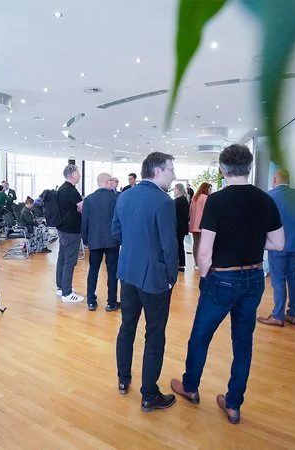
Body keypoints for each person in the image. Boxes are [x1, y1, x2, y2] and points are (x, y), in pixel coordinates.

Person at [170, 144, 284, 425]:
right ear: (249, 167)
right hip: (254, 278)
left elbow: (205, 251)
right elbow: (278, 243)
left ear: (222, 169)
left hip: (222, 278)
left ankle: (190, 386)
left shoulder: (217, 201)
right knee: (243, 343)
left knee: (201, 336)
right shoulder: (265, 200)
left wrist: (205, 275)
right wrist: (251, 243)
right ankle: (233, 404)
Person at [113, 152, 179, 412]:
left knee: (127, 327)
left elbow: (116, 232)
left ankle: (123, 378)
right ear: (158, 171)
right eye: (171, 169)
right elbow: (169, 246)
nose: (174, 175)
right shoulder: (164, 201)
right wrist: (172, 276)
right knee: (154, 334)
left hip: (127, 272)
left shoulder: (124, 196)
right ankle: (149, 395)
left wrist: (135, 247)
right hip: (154, 279)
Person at [257, 168, 295, 327]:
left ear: (274, 180)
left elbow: (262, 222)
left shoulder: (268, 196)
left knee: (278, 280)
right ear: (289, 180)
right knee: (294, 279)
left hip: (276, 245)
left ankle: (278, 315)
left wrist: (259, 242)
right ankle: (292, 314)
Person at [82, 173, 120, 312]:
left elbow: (84, 221)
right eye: (112, 181)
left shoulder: (89, 199)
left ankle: (91, 301)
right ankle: (111, 302)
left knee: (93, 270)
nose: (113, 183)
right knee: (112, 272)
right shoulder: (116, 198)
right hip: (113, 241)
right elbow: (120, 220)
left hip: (94, 240)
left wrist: (85, 240)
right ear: (106, 181)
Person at [56, 165, 84, 303]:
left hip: (62, 229)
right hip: (71, 230)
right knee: (70, 260)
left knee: (62, 257)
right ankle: (67, 293)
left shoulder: (62, 188)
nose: (80, 175)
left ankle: (61, 287)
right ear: (72, 175)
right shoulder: (71, 190)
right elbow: (82, 207)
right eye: (78, 173)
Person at [189, 183, 211, 268]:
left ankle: (196, 263)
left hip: (194, 224)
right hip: (202, 224)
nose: (210, 191)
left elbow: (190, 210)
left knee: (196, 244)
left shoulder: (195, 197)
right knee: (203, 244)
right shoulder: (205, 197)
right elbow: (208, 211)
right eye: (209, 189)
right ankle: (202, 262)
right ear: (206, 189)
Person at [173, 183, 190, 272]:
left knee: (177, 245)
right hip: (183, 226)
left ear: (178, 190)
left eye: (175, 189)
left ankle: (178, 263)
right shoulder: (184, 200)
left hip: (177, 227)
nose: (174, 191)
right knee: (180, 245)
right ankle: (181, 264)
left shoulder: (177, 201)